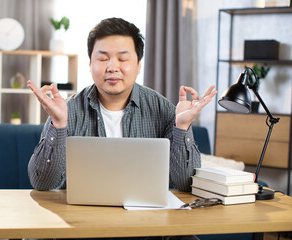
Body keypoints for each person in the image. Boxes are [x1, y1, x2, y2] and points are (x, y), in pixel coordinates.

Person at [27, 17, 217, 193]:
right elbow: (43, 184)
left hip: (147, 222)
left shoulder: (163, 109)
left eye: (123, 59)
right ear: (90, 63)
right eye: (102, 59)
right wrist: (58, 125)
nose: (112, 67)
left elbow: (185, 183)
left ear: (138, 64)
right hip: (84, 222)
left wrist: (182, 127)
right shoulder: (69, 110)